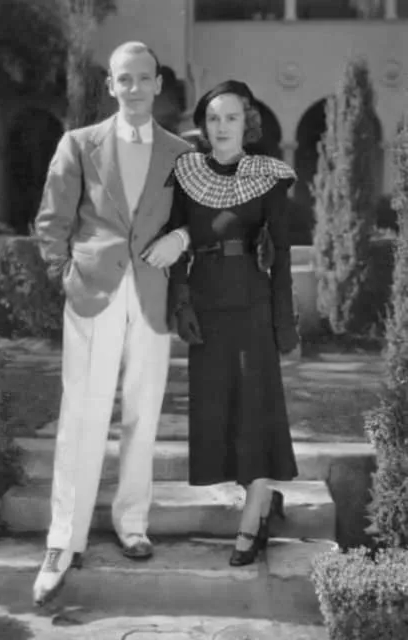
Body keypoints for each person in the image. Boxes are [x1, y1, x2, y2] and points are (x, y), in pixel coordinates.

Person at [32, 41, 191, 606]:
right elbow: (52, 219)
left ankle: (132, 522)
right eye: (124, 79)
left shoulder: (180, 152)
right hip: (93, 291)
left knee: (143, 412)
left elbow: (196, 217)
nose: (134, 88)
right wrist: (64, 275)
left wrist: (182, 238)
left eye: (143, 78)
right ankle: (64, 537)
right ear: (110, 85)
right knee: (82, 412)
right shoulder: (79, 143)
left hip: (152, 294)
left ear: (158, 83)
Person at [168, 80, 299, 567]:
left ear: (248, 124)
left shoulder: (269, 177)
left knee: (254, 410)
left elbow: (281, 256)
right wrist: (182, 304)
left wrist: (284, 324)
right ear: (204, 126)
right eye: (213, 118)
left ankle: (253, 515)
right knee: (218, 411)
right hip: (206, 308)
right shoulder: (186, 173)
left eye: (232, 117)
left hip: (252, 306)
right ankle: (264, 499)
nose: (221, 126)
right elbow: (175, 240)